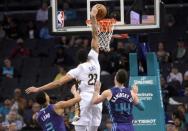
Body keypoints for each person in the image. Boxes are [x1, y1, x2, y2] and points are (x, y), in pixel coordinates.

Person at [26, 5, 102, 131]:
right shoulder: (95, 61)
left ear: (78, 59)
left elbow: (58, 83)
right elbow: (95, 36)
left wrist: (39, 88)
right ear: (88, 56)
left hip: (83, 98)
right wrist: (93, 17)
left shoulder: (77, 70)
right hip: (96, 98)